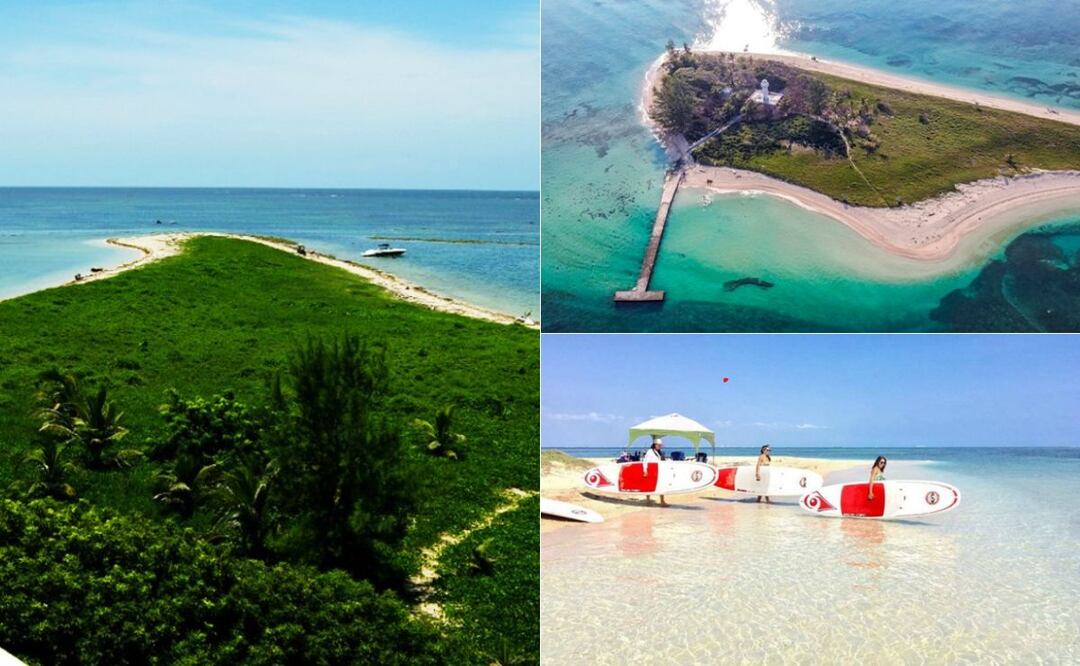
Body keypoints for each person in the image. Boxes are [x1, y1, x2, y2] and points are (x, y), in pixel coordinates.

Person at [643, 436, 668, 507]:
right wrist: (645, 470)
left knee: (661, 485)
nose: (659, 446)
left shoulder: (659, 452)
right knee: (649, 486)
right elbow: (645, 461)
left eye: (660, 445)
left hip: (658, 471)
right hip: (651, 470)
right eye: (658, 445)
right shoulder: (650, 452)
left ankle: (662, 501)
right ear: (655, 445)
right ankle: (648, 501)